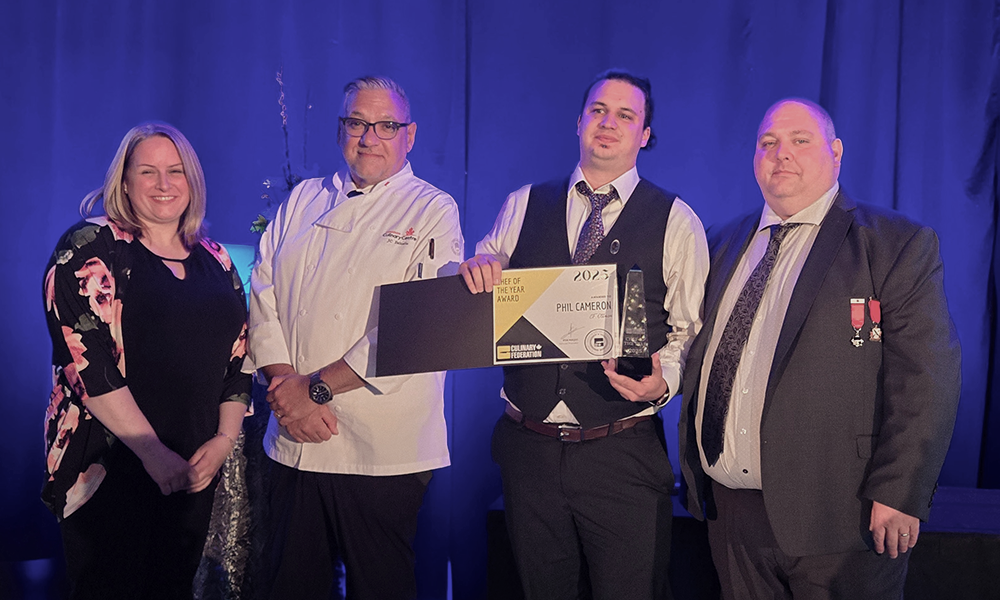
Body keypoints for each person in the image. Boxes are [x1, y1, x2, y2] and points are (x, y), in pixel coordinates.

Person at [678, 99, 961, 599]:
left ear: (836, 153)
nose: (780, 154)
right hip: (731, 516)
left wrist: (900, 492)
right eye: (768, 143)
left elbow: (926, 377)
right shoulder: (719, 242)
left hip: (842, 516)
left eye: (799, 140)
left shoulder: (895, 243)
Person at [460, 69, 709, 600]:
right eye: (598, 110)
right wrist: (478, 266)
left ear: (645, 134)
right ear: (578, 122)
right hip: (529, 449)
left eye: (626, 115)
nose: (608, 123)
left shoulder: (676, 220)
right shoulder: (523, 203)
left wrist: (662, 382)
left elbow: (690, 332)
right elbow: (482, 281)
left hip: (620, 452)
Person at [246, 75, 464, 600]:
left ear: (408, 135)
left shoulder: (433, 209)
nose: (370, 136)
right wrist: (285, 388)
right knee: (290, 587)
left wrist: (314, 390)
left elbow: (417, 325)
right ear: (341, 129)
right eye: (356, 123)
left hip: (380, 449)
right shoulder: (303, 199)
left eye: (385, 125)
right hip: (295, 439)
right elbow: (263, 290)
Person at [42, 122, 252, 599]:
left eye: (175, 171)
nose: (163, 184)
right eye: (148, 172)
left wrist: (222, 441)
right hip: (110, 467)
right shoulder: (92, 247)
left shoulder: (215, 260)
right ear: (124, 181)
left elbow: (240, 358)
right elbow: (87, 365)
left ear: (193, 181)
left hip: (193, 469)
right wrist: (154, 455)